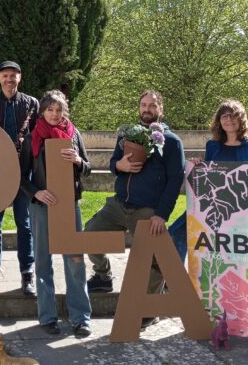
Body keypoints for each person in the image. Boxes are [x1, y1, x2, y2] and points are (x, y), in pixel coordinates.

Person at [85, 90, 185, 329]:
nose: (147, 109)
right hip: (119, 205)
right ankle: (103, 275)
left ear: (160, 108)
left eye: (152, 105)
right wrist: (118, 165)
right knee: (88, 234)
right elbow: (113, 165)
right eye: (143, 105)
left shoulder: (171, 141)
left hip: (147, 209)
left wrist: (161, 214)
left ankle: (150, 308)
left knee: (155, 257)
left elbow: (174, 181)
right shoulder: (127, 134)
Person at [20, 90, 92, 337]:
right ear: (43, 112)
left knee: (75, 261)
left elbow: (88, 168)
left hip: (69, 205)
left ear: (65, 112)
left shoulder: (74, 135)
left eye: (59, 109)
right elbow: (21, 177)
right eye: (50, 109)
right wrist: (36, 193)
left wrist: (78, 162)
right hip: (42, 207)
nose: (54, 114)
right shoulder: (32, 139)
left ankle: (81, 318)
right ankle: (48, 317)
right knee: (42, 262)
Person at [169, 99, 248, 263]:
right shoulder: (212, 146)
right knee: (176, 230)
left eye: (232, 116)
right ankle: (175, 280)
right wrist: (197, 165)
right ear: (219, 121)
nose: (228, 120)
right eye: (224, 117)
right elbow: (207, 176)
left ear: (241, 118)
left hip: (245, 207)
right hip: (214, 203)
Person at [0, 61, 38, 296]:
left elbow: (38, 138)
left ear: (20, 78)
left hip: (24, 174)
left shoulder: (32, 103)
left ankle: (27, 273)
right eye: (5, 75)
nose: (9, 79)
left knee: (25, 225)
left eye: (13, 75)